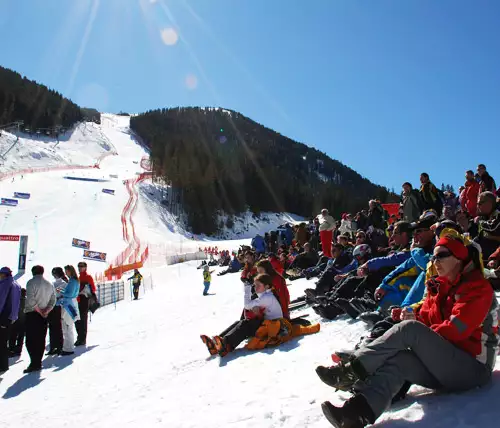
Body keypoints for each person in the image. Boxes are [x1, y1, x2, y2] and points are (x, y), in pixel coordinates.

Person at [316, 235, 498, 428]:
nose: (435, 262)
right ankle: (356, 414)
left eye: (442, 255)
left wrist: (416, 329)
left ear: (459, 258)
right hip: (449, 363)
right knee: (400, 360)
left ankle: (352, 370)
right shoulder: (441, 287)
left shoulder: (478, 288)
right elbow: (428, 318)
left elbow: (456, 329)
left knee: (409, 330)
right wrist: (411, 314)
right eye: (433, 257)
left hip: (474, 368)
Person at [201, 274, 283, 357]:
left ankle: (226, 345)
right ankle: (217, 342)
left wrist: (247, 289)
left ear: (267, 286)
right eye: (255, 285)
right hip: (270, 325)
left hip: (273, 328)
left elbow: (247, 305)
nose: (255, 287)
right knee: (240, 322)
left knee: (246, 325)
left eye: (258, 285)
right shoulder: (266, 295)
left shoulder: (267, 297)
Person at [24, 265, 56, 373]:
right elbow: (53, 299)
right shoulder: (49, 284)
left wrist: (39, 311)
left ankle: (34, 362)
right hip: (44, 315)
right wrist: (46, 310)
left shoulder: (30, 283)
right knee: (41, 339)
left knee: (30, 340)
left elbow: (31, 300)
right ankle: (38, 361)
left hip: (33, 314)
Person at [0, 267, 21, 374]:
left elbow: (1, 300)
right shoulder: (16, 284)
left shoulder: (5, 284)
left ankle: (2, 365)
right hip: (10, 317)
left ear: (4, 274)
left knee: (1, 342)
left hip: (3, 316)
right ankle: (4, 365)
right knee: (4, 341)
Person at [60, 266, 81, 355]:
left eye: (66, 271)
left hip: (69, 304)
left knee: (67, 325)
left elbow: (70, 294)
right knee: (68, 325)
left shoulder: (72, 281)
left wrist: (61, 292)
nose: (66, 273)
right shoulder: (74, 280)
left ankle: (68, 348)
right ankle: (68, 347)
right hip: (71, 303)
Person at [75, 262, 96, 347]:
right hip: (78, 300)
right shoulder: (79, 277)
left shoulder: (88, 277)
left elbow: (93, 288)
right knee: (77, 319)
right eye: (79, 266)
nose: (79, 268)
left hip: (84, 299)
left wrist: (86, 289)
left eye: (81, 267)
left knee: (83, 319)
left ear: (85, 268)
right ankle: (79, 337)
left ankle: (82, 339)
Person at [475, 191, 500, 260]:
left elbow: (493, 228)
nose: (478, 206)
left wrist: (480, 222)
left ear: (490, 203)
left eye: (480, 203)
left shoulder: (498, 213)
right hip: (486, 259)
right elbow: (479, 237)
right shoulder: (484, 217)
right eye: (477, 204)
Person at [47, 268, 66, 355]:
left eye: (55, 274)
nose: (54, 275)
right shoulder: (53, 283)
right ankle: (55, 346)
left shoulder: (62, 283)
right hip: (54, 306)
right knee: (54, 327)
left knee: (56, 327)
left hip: (57, 306)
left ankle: (57, 346)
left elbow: (65, 295)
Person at [8, 288, 26, 357]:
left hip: (15, 321)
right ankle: (18, 350)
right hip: (23, 322)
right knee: (21, 337)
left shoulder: (15, 301)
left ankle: (11, 349)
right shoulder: (27, 301)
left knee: (13, 336)